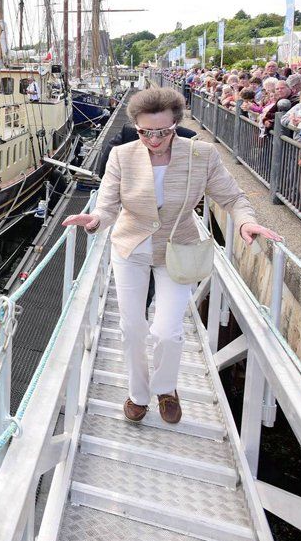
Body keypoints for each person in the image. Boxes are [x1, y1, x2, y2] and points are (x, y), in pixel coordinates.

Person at [62, 88, 280, 424]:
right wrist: (94, 220)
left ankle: (166, 389)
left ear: (175, 125)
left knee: (166, 330)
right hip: (131, 247)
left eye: (163, 131)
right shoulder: (122, 156)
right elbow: (106, 205)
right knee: (132, 327)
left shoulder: (201, 155)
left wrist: (246, 223)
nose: (154, 139)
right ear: (137, 128)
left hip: (177, 249)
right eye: (146, 132)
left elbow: (234, 198)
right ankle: (137, 394)